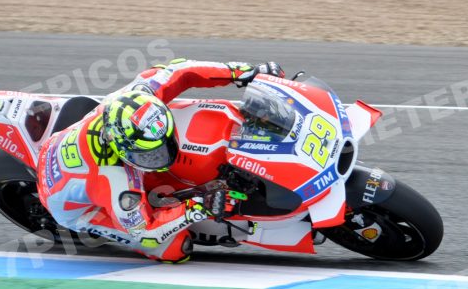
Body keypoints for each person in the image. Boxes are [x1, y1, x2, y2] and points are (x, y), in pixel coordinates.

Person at [36, 59, 285, 263]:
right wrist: (199, 206)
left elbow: (181, 70)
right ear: (124, 152)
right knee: (176, 249)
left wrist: (243, 72)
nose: (166, 155)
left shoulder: (138, 96)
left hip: (73, 144)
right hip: (76, 206)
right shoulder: (115, 182)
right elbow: (147, 232)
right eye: (152, 155)